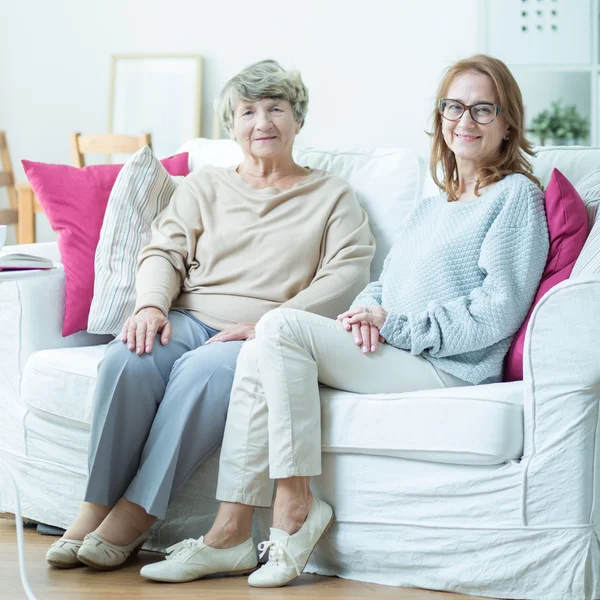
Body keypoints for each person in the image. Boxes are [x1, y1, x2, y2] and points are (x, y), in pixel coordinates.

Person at [141, 54, 550, 588]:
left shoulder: (517, 196)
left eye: (481, 109)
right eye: (453, 106)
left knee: (279, 327)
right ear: (440, 115)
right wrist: (366, 313)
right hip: (399, 347)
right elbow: (385, 284)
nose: (464, 120)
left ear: (508, 122)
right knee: (264, 343)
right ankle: (229, 535)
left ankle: (295, 507)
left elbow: (498, 308)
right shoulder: (434, 204)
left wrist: (394, 324)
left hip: (452, 365)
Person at [45, 59, 374, 570]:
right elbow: (163, 251)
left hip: (263, 332)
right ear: (231, 126)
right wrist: (151, 304)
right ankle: (93, 509)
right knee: (125, 360)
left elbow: (347, 274)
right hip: (189, 316)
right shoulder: (204, 187)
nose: (262, 122)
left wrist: (272, 323)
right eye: (248, 111)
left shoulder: (332, 195)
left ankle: (134, 516)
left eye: (276, 108)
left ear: (297, 120)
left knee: (203, 373)